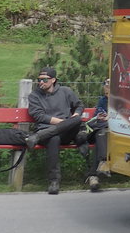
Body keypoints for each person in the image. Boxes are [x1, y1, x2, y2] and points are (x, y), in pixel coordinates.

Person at [24, 66, 87, 195]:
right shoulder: (34, 96)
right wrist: (65, 123)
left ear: (53, 80)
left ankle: (38, 136)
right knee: (54, 138)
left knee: (77, 120)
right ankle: (54, 181)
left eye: (45, 80)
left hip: (64, 132)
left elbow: (79, 105)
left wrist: (76, 114)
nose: (41, 82)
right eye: (39, 80)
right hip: (47, 131)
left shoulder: (66, 91)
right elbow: (39, 116)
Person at [84, 78, 112, 192]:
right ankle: (103, 162)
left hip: (118, 133)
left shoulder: (123, 101)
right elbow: (97, 119)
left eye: (109, 84)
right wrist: (102, 118)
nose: (107, 87)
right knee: (100, 134)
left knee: (100, 137)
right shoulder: (102, 101)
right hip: (104, 131)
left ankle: (93, 176)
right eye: (105, 84)